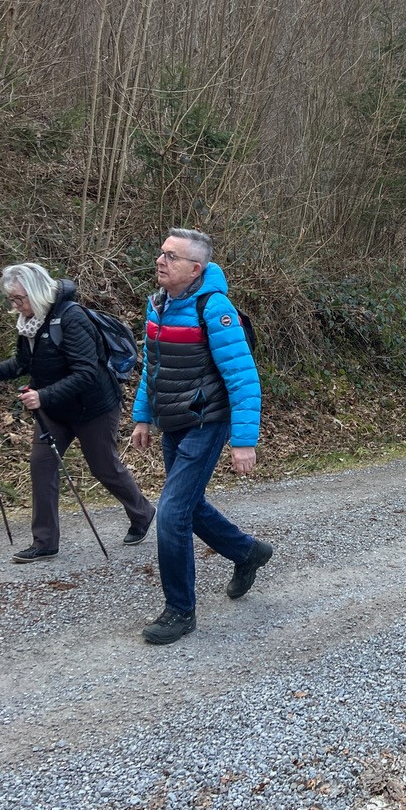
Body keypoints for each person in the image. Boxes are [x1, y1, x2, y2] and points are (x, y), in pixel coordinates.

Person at [0, 263, 155, 563]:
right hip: (54, 410)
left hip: (93, 407)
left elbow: (86, 372)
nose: (15, 305)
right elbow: (21, 364)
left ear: (36, 292)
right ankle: (45, 542)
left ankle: (142, 512)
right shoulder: (29, 322)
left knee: (104, 467)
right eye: (11, 299)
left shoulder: (72, 318)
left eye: (19, 298)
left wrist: (42, 395)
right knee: (41, 465)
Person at [132, 229, 269, 645]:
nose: (161, 261)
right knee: (188, 507)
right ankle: (247, 552)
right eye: (162, 253)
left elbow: (243, 378)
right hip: (174, 421)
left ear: (196, 269)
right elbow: (152, 368)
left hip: (207, 421)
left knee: (172, 512)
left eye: (171, 257)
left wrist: (243, 441)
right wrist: (143, 417)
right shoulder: (158, 304)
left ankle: (180, 611)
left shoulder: (214, 308)